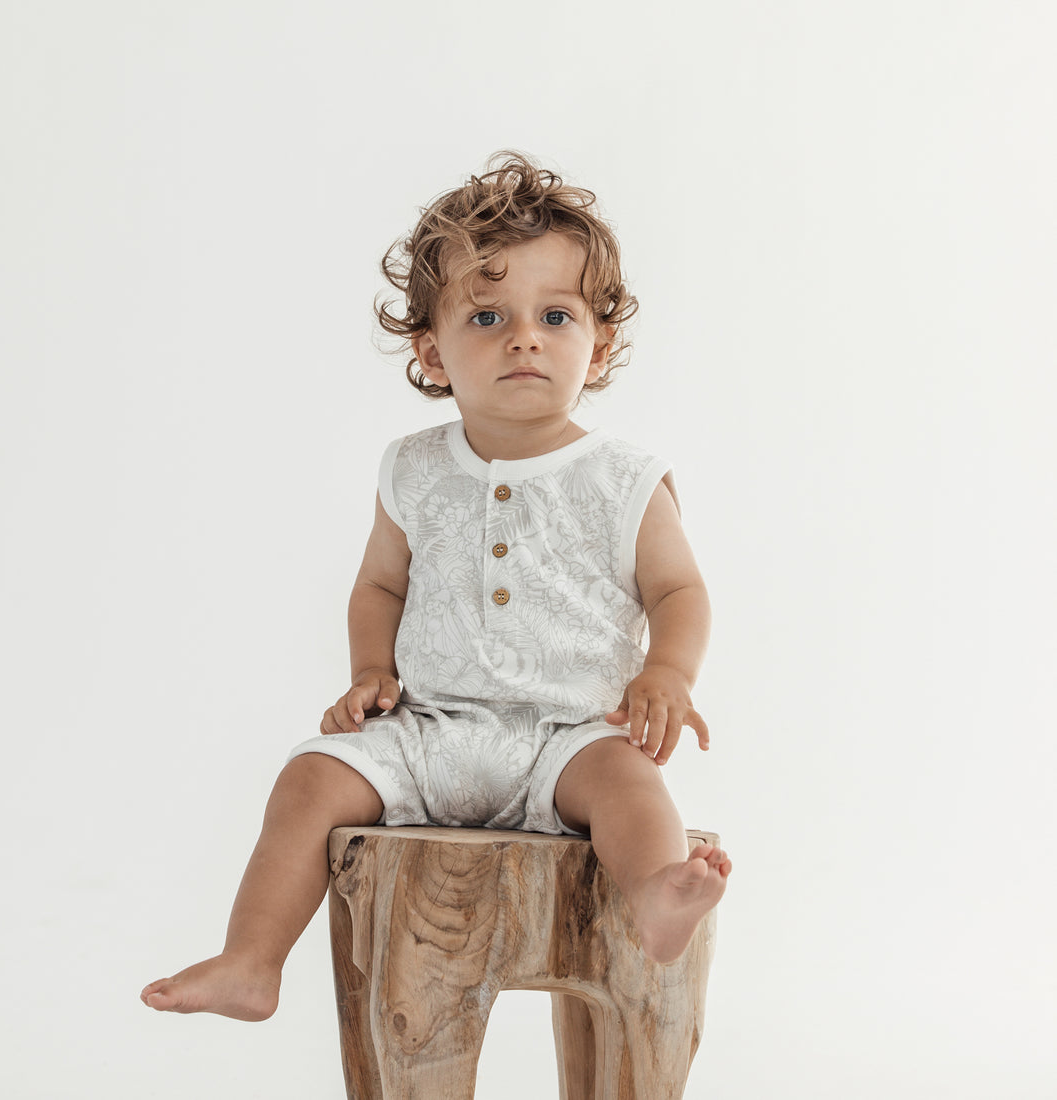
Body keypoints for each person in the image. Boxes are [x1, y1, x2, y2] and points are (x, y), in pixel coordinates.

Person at [141, 151, 732, 1022]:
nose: (524, 337)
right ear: (432, 351)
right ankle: (251, 960)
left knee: (632, 787)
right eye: (488, 316)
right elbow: (379, 585)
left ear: (598, 345)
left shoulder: (623, 479)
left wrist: (668, 674)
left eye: (555, 315)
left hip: (570, 735)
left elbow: (679, 590)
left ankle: (655, 894)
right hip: (429, 729)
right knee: (308, 778)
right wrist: (370, 671)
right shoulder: (413, 469)